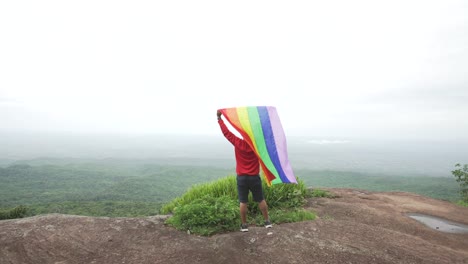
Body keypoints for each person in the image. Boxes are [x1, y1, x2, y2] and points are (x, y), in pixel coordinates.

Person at [217, 110, 272, 232]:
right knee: (260, 199)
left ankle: (244, 225)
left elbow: (226, 133)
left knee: (243, 201)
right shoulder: (256, 145)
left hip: (242, 177)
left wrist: (219, 119)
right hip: (254, 177)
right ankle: (267, 222)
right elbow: (266, 135)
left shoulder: (238, 142)